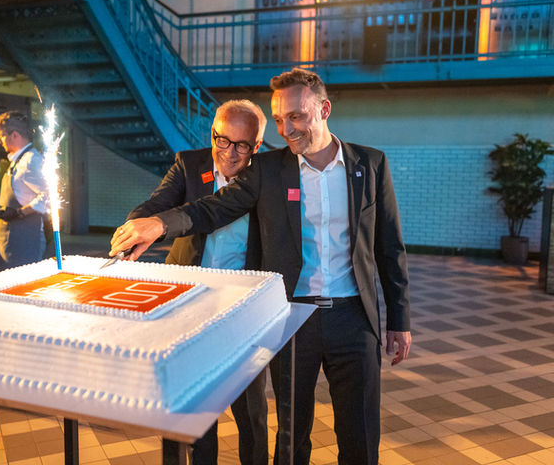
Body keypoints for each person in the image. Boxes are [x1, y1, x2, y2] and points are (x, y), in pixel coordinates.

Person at [110, 68, 412, 465]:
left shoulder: (370, 164)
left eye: (297, 116)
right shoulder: (269, 169)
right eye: (280, 119)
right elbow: (214, 207)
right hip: (293, 318)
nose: (287, 129)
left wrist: (399, 320)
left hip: (354, 319)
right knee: (290, 439)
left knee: (360, 436)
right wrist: (159, 224)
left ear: (324, 110)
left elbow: (390, 247)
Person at [127, 99, 269, 465]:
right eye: (223, 140)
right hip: (189, 303)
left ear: (256, 145)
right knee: (192, 407)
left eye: (242, 145)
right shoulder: (189, 165)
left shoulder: (265, 175)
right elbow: (157, 204)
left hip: (243, 306)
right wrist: (134, 226)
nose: (230, 153)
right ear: (212, 134)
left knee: (250, 410)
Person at [0, 111, 48, 270]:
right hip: (10, 242)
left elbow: (50, 196)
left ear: (15, 135)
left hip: (24, 243)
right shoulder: (18, 161)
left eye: (2, 136)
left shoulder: (31, 161)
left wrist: (19, 213)